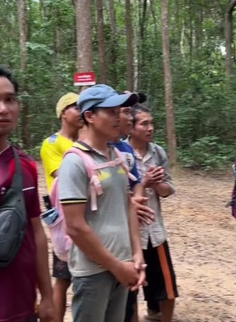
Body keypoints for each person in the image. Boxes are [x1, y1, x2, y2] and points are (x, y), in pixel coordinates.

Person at [58, 84, 146, 322]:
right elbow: (75, 227)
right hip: (93, 270)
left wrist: (136, 254)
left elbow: (128, 205)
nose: (120, 118)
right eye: (111, 112)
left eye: (120, 112)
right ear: (89, 116)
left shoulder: (117, 157)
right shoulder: (75, 162)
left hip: (123, 264)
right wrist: (117, 266)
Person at [0, 65, 54, 322]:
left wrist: (47, 296)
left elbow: (36, 231)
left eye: (10, 99)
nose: (3, 109)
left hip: (21, 305)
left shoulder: (25, 164)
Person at [128, 103, 178, 322]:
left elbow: (168, 190)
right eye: (144, 123)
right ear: (131, 127)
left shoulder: (158, 152)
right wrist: (143, 183)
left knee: (167, 287)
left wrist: (156, 185)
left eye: (152, 123)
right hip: (129, 233)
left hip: (154, 232)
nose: (150, 128)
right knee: (130, 289)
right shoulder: (121, 153)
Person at [110, 92, 156, 322]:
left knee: (129, 297)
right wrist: (129, 204)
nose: (130, 117)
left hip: (129, 236)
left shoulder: (125, 150)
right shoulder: (88, 151)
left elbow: (135, 183)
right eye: (126, 111)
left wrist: (136, 201)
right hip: (106, 243)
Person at [40, 92, 84, 322]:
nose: (80, 112)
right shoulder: (52, 143)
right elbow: (64, 174)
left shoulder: (84, 141)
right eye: (75, 107)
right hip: (64, 213)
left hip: (87, 210)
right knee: (63, 277)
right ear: (63, 113)